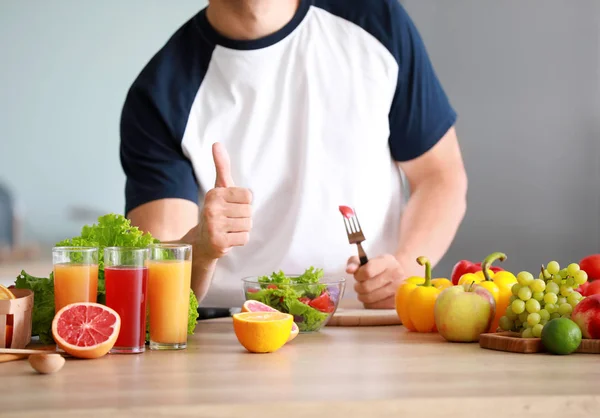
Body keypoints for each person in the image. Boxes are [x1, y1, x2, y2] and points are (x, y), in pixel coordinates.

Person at [120, 0, 468, 309]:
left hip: (365, 321)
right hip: (229, 333)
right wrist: (201, 245)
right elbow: (162, 281)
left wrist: (404, 267)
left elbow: (440, 175)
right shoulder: (159, 94)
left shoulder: (377, 23)